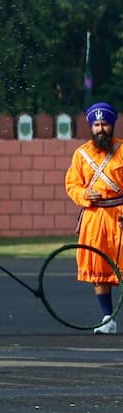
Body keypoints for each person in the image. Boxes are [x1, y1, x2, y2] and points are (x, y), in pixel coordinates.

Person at [64, 102, 123, 334]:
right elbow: (72, 185)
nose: (100, 129)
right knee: (100, 272)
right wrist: (84, 194)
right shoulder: (81, 155)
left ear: (112, 125)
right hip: (94, 218)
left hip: (120, 216)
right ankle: (107, 318)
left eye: (105, 124)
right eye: (96, 125)